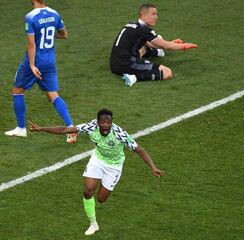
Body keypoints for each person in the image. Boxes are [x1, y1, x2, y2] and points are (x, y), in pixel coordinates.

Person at [29, 109, 164, 236]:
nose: (106, 125)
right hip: (98, 161)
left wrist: (153, 167)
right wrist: (41, 128)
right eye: (103, 122)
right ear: (98, 122)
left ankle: (105, 184)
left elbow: (139, 149)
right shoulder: (91, 126)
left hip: (114, 167)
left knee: (101, 199)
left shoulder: (119, 134)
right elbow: (65, 129)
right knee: (88, 191)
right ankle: (93, 224)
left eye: (108, 122)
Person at [5, 0, 76, 143]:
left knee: (17, 90)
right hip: (50, 61)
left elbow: (31, 44)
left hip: (35, 61)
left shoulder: (30, 17)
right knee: (53, 95)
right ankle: (71, 128)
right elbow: (64, 34)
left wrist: (31, 65)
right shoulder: (54, 14)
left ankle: (21, 128)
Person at [110, 3, 198, 86]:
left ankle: (157, 52)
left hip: (114, 63)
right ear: (144, 15)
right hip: (126, 66)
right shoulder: (144, 29)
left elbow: (150, 43)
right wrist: (183, 46)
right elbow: (165, 45)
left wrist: (170, 43)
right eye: (153, 14)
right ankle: (134, 77)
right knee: (167, 73)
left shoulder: (132, 24)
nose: (156, 17)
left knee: (144, 45)